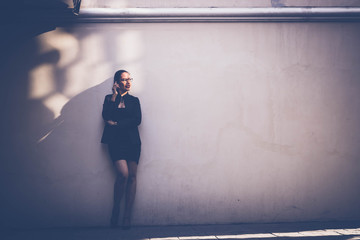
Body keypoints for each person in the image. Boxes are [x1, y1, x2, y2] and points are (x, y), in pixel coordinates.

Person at [101, 70, 142, 229]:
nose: (128, 82)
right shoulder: (108, 99)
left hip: (132, 143)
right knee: (122, 175)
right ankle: (116, 208)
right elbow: (106, 116)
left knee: (132, 177)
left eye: (129, 79)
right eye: (124, 80)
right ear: (117, 83)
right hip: (116, 142)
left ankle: (127, 216)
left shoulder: (134, 100)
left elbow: (137, 120)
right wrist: (113, 96)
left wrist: (117, 124)